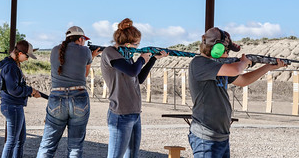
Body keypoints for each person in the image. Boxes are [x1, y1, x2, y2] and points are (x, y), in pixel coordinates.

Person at [188, 27, 287, 158]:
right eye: (226, 49)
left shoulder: (220, 68)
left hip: (221, 137)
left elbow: (243, 80)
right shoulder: (199, 63)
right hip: (205, 138)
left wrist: (268, 67)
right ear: (217, 49)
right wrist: (244, 62)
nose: (228, 54)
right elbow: (235, 70)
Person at [100, 18, 168, 158]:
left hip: (134, 112)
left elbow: (139, 78)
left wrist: (153, 59)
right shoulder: (110, 52)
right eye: (136, 45)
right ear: (128, 44)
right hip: (121, 114)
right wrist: (142, 58)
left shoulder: (127, 57)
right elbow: (132, 71)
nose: (137, 48)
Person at [37, 26, 101, 158]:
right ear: (80, 38)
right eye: (83, 39)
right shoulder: (85, 52)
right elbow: (84, 75)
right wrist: (92, 56)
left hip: (56, 95)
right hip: (79, 96)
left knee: (47, 145)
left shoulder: (55, 50)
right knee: (75, 147)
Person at [0, 40, 41, 158]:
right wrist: (30, 91)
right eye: (27, 56)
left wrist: (30, 91)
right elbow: (13, 90)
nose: (27, 59)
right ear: (20, 53)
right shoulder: (11, 67)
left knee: (19, 141)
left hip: (13, 106)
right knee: (12, 141)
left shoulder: (11, 65)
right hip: (13, 106)